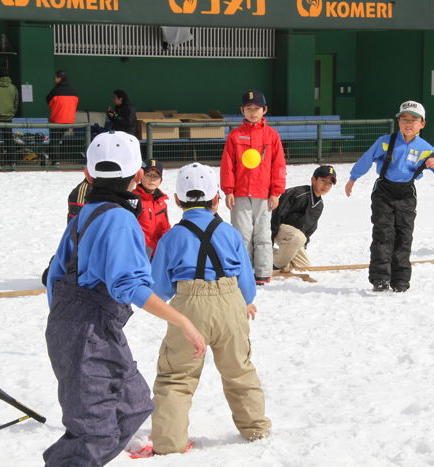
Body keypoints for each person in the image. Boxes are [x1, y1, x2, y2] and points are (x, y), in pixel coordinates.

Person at [43, 131, 206, 466]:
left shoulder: (84, 214)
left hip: (76, 327)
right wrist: (183, 321)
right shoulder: (119, 219)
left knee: (133, 404)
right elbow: (127, 286)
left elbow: (54, 277)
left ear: (88, 175)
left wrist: (67, 322)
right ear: (136, 176)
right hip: (88, 332)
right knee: (95, 433)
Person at [148, 162, 271, 455]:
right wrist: (244, 301)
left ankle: (169, 443)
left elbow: (159, 288)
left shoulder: (172, 237)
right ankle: (256, 428)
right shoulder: (229, 233)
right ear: (216, 198)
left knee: (176, 377)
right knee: (239, 370)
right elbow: (247, 283)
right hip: (230, 304)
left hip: (189, 308)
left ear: (177, 200)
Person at [345, 100, 434, 293]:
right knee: (383, 235)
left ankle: (400, 280)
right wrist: (353, 178)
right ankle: (380, 278)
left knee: (404, 237)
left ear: (422, 124)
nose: (408, 123)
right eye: (404, 119)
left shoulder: (425, 148)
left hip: (406, 194)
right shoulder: (385, 141)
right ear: (399, 122)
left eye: (413, 120)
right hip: (384, 191)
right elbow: (366, 159)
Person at [220, 89, 287, 285]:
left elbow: (279, 165)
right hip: (240, 193)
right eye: (248, 109)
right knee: (242, 236)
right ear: (242, 110)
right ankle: (245, 273)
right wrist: (228, 190)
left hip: (263, 194)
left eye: (256, 108)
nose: (253, 112)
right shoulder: (235, 135)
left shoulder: (272, 136)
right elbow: (227, 164)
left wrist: (276, 192)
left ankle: (263, 272)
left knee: (263, 235)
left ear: (264, 110)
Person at [271, 165, 336, 271]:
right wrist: (269, 240)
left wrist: (302, 246)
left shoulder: (319, 205)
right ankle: (274, 264)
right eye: (323, 180)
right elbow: (276, 215)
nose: (326, 185)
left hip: (295, 238)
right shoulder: (298, 193)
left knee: (304, 267)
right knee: (298, 238)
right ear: (313, 180)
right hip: (277, 228)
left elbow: (309, 228)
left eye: (330, 183)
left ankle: (264, 255)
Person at [131, 159, 171, 259]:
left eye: (156, 176)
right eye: (148, 175)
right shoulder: (133, 199)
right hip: (139, 253)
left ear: (160, 180)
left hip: (158, 253)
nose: (152, 179)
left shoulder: (162, 203)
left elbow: (165, 228)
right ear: (141, 177)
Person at [45, 70, 79, 165]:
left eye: (55, 77)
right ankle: (48, 154)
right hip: (69, 120)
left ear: (59, 78)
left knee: (55, 139)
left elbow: (49, 101)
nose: (54, 79)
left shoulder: (56, 90)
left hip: (57, 120)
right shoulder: (74, 91)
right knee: (57, 138)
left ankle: (55, 160)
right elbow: (75, 104)